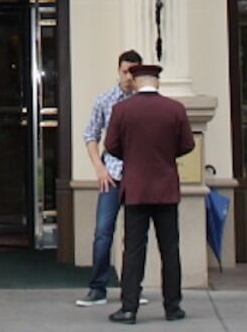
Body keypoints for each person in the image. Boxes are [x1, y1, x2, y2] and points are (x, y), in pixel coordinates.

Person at [102, 63, 195, 324]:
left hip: (136, 188)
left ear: (134, 80)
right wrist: (165, 155)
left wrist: (132, 157)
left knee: (133, 250)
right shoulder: (175, 109)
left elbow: (110, 145)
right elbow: (187, 144)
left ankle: (129, 308)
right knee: (170, 249)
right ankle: (173, 307)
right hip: (166, 188)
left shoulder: (122, 110)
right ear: (157, 82)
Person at [76, 49, 143, 307]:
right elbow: (90, 135)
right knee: (103, 232)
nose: (128, 77)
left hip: (138, 175)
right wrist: (99, 168)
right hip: (112, 175)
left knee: (135, 235)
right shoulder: (105, 100)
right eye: (124, 71)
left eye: (133, 72)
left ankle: (132, 288)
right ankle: (98, 288)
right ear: (118, 71)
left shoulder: (144, 102)